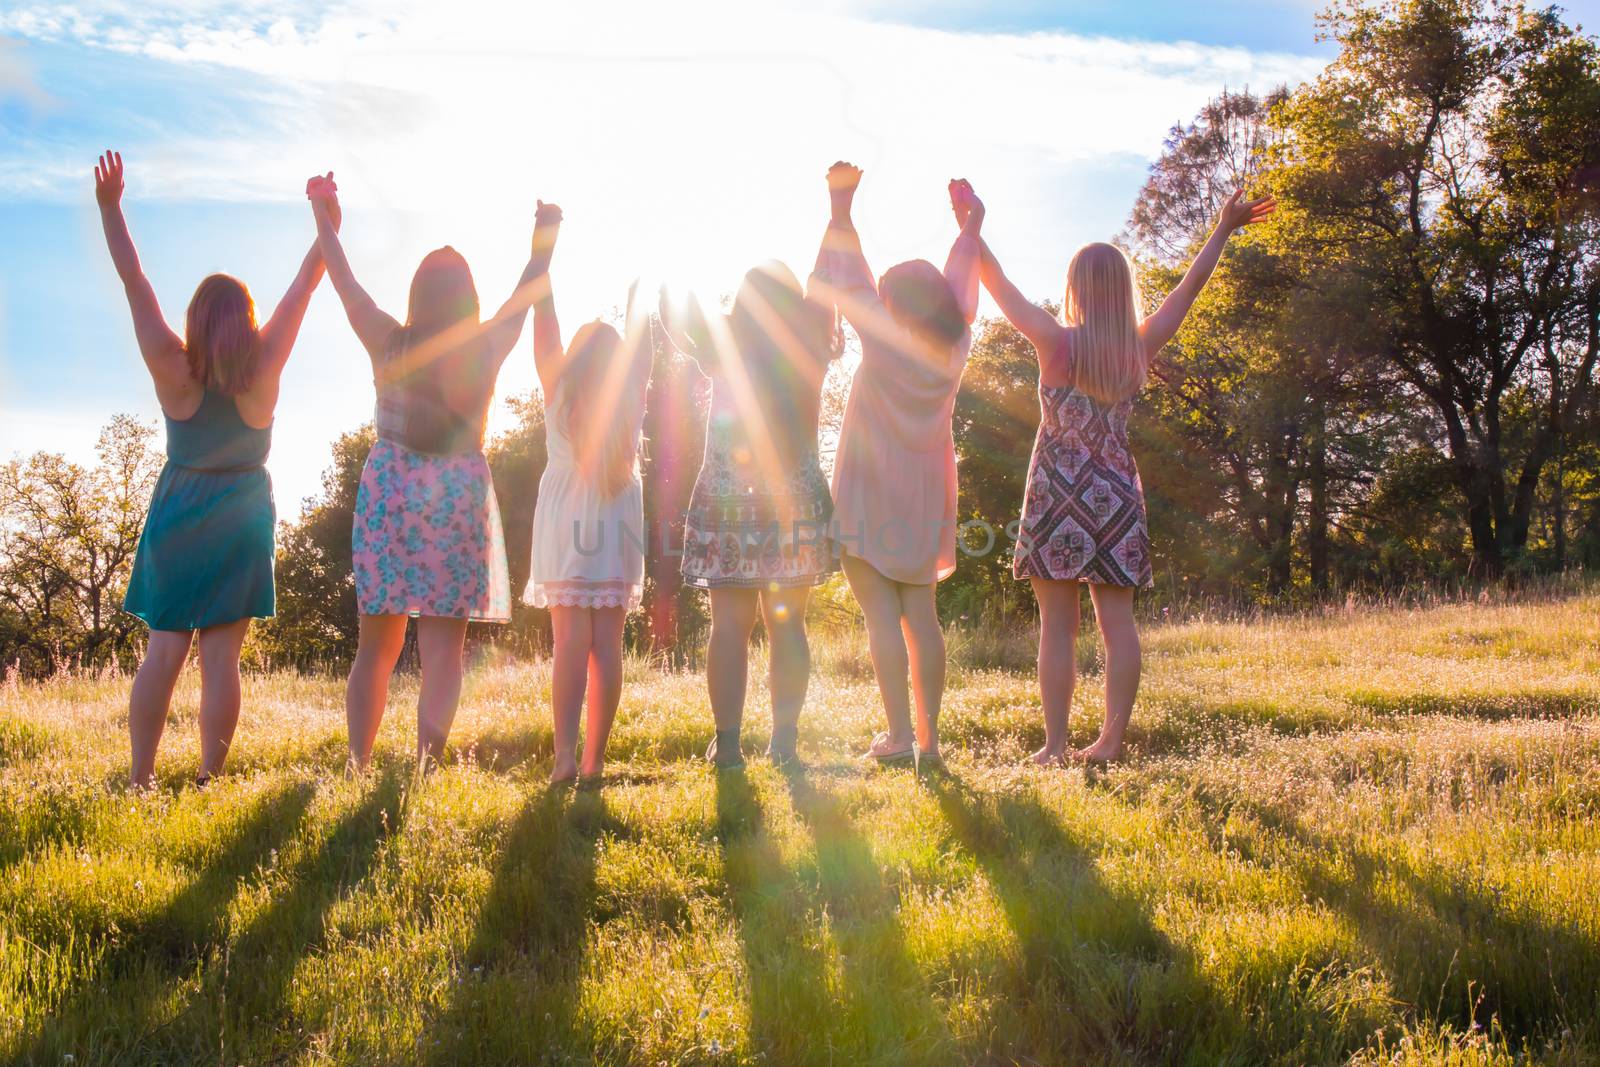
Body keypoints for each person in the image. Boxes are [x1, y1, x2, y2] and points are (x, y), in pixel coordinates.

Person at [964, 181, 1276, 764]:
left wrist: (972, 225)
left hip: (1056, 492)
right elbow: (1189, 288)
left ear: (1075, 290)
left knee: (1056, 625)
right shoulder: (1139, 346)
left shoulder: (1053, 341)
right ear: (1123, 292)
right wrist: (1223, 229)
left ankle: (1055, 746)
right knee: (1118, 624)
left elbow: (998, 286)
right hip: (1114, 495)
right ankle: (1109, 742)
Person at [96, 150, 331, 788]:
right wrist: (326, 225)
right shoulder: (264, 370)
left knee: (165, 650)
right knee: (221, 659)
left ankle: (142, 780)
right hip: (243, 512)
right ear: (247, 322)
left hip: (180, 509)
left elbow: (135, 283)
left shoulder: (174, 369)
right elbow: (306, 285)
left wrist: (112, 211)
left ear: (196, 323)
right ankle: (207, 780)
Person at [307, 173, 544, 771]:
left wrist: (323, 217)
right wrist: (545, 239)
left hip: (391, 494)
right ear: (469, 299)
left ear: (416, 295)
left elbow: (345, 282)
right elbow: (526, 295)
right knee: (444, 653)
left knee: (375, 649)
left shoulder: (388, 339)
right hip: (458, 498)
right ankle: (426, 771)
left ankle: (359, 766)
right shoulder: (486, 347)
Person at [822, 161, 983, 768]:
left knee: (881, 618)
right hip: (924, 492)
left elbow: (852, 271)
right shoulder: (956, 342)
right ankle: (930, 743)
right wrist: (969, 226)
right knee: (922, 614)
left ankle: (897, 737)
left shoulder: (882, 333)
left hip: (867, 489)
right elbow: (959, 283)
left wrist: (841, 207)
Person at [658, 240, 843, 768]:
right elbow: (825, 282)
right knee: (789, 626)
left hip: (728, 503)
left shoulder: (725, 341)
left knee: (728, 627)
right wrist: (838, 211)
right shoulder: (811, 341)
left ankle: (729, 743)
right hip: (795, 502)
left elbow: (677, 310)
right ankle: (784, 741)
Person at [524, 203, 653, 785]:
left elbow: (543, 316)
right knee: (608, 645)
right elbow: (642, 346)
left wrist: (544, 244)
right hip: (616, 515)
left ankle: (564, 759)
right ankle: (597, 761)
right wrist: (637, 296)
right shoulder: (630, 395)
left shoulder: (558, 384)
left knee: (569, 641)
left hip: (566, 515)